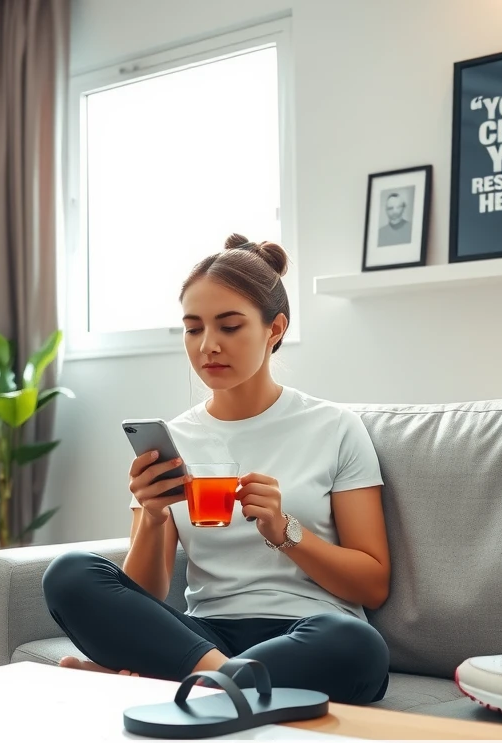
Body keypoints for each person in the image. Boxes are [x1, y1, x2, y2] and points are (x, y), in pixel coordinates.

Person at [41, 233, 392, 706]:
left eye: (229, 327)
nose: (208, 346)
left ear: (275, 328)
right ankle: (221, 685)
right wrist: (152, 516)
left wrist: (285, 530)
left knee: (359, 646)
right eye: (193, 328)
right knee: (68, 574)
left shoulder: (334, 428)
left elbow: (372, 585)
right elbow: (145, 595)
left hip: (306, 631)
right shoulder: (172, 443)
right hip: (201, 636)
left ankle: (172, 684)